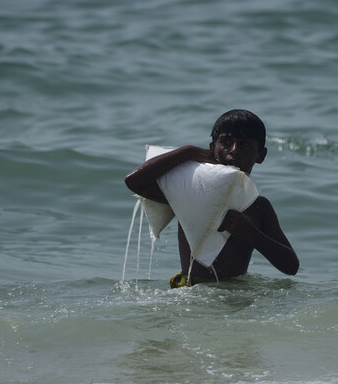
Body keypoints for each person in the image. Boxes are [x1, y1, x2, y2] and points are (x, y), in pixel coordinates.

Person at [124, 109, 299, 287]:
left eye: (244, 145)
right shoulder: (192, 191)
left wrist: (252, 234)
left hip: (232, 296)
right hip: (190, 292)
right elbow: (134, 182)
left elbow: (291, 266)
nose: (234, 151)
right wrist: (188, 152)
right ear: (211, 148)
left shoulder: (258, 206)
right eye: (226, 142)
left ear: (261, 155)